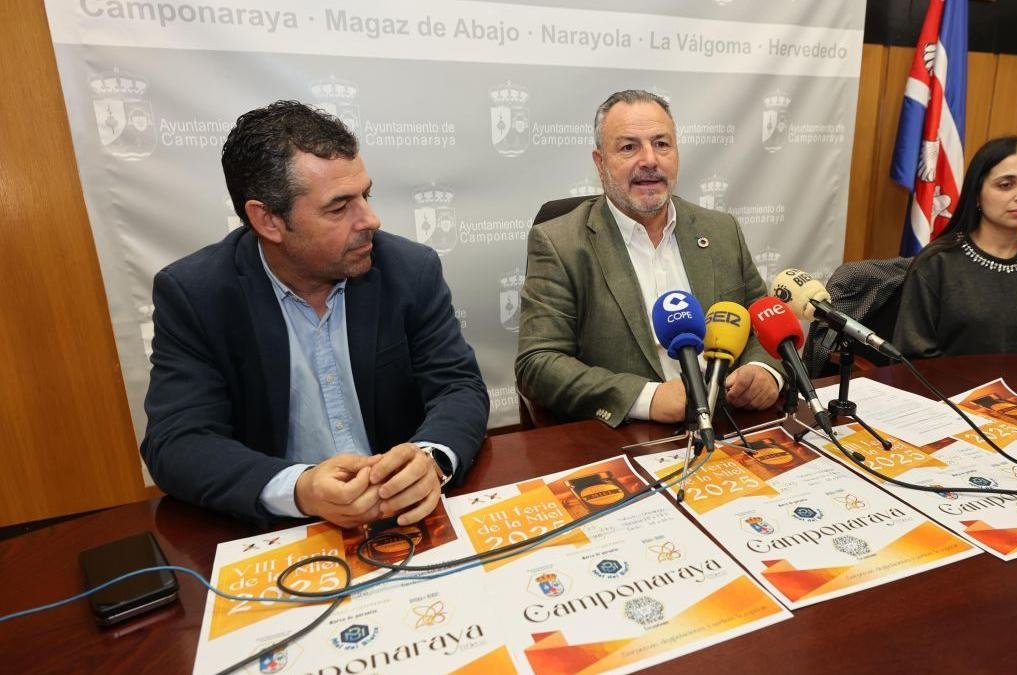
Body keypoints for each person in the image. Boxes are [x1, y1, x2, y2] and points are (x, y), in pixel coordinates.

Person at [141, 101, 488, 529]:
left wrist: (430, 459)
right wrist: (300, 489)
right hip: (284, 529)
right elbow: (178, 442)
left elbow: (459, 386)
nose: (371, 220)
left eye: (366, 195)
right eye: (339, 207)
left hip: (405, 518)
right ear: (268, 220)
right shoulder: (197, 295)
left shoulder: (409, 270)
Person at [516, 90, 780, 426]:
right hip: (627, 434)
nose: (650, 160)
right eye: (628, 147)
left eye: (661, 144)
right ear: (600, 163)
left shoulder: (721, 230)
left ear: (676, 154)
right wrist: (648, 398)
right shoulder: (560, 243)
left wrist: (764, 370)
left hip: (729, 420)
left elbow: (765, 320)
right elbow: (537, 363)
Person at [893, 136, 1017, 358]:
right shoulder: (937, 263)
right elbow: (913, 359)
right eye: (1006, 185)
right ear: (977, 193)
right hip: (945, 391)